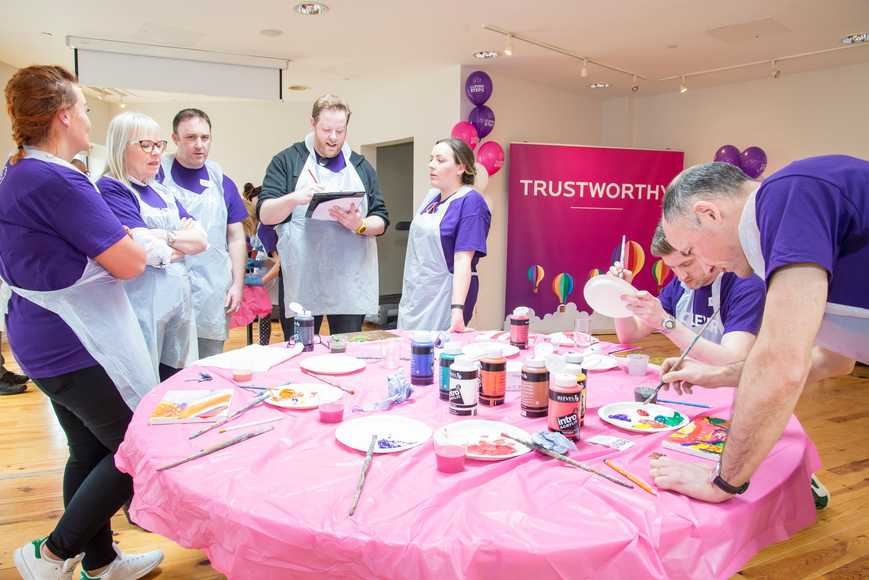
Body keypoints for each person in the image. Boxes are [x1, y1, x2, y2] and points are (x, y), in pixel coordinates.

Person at [3, 65, 162, 580]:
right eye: (86, 110)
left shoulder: (18, 168)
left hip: (39, 341)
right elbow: (130, 262)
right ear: (64, 115)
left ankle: (102, 561)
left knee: (90, 450)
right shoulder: (57, 180)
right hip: (75, 345)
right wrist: (142, 244)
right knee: (139, 446)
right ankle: (51, 554)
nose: (91, 120)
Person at [652, 157, 868, 504]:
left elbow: (780, 365)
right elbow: (832, 362)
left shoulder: (787, 193)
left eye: (691, 251)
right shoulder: (790, 236)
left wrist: (723, 481)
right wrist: (716, 376)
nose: (705, 266)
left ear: (709, 214)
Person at [258, 94, 389, 335]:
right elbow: (266, 215)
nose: (333, 138)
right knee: (300, 350)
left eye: (340, 131)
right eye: (326, 129)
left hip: (349, 278)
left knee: (347, 351)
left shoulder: (360, 166)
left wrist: (359, 224)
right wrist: (295, 198)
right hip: (302, 276)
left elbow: (381, 219)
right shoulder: (288, 161)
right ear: (312, 123)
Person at [98, 112, 207, 381]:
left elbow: (201, 239)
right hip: (141, 304)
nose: (156, 153)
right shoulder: (112, 188)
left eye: (159, 145)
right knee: (145, 382)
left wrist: (164, 237)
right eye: (146, 145)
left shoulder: (162, 191)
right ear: (121, 146)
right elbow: (145, 249)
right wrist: (174, 240)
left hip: (178, 302)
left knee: (177, 380)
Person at [158, 108, 248, 358]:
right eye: (190, 138)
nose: (199, 145)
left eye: (205, 138)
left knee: (208, 363)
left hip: (212, 286)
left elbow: (236, 236)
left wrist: (238, 284)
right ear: (175, 138)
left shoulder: (222, 182)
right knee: (167, 361)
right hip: (167, 284)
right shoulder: (156, 175)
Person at [609, 223, 765, 364]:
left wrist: (666, 323)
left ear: (705, 249)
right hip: (691, 382)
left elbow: (732, 361)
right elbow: (629, 334)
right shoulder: (680, 285)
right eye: (673, 268)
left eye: (687, 264)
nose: (682, 276)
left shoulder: (746, 286)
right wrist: (621, 291)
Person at [398, 138, 491, 331]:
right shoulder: (431, 197)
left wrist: (457, 310)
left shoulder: (471, 203)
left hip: (446, 294)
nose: (431, 165)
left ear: (461, 167)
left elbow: (463, 259)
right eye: (431, 159)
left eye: (440, 160)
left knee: (437, 352)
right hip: (417, 293)